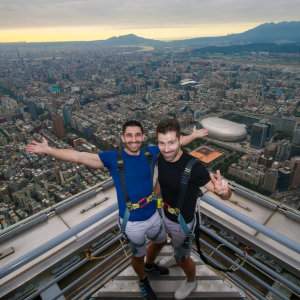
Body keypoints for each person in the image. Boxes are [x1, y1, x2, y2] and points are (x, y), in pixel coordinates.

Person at [26, 120, 208, 300]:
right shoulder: (114, 158)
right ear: (122, 137)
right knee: (138, 255)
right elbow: (79, 156)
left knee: (159, 242)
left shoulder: (151, 152)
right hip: (132, 222)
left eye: (137, 135)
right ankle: (143, 279)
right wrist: (49, 150)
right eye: (129, 135)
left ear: (143, 137)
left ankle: (150, 265)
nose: (134, 139)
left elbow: (173, 144)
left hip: (153, 215)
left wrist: (193, 135)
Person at [156, 118, 232, 300]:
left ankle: (191, 279)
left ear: (178, 140)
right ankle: (176, 256)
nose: (167, 149)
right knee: (177, 248)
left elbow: (221, 193)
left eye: (172, 143)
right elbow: (161, 181)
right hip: (164, 214)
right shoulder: (161, 156)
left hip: (183, 222)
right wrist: (195, 134)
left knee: (184, 258)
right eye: (161, 143)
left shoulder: (194, 168)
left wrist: (224, 191)